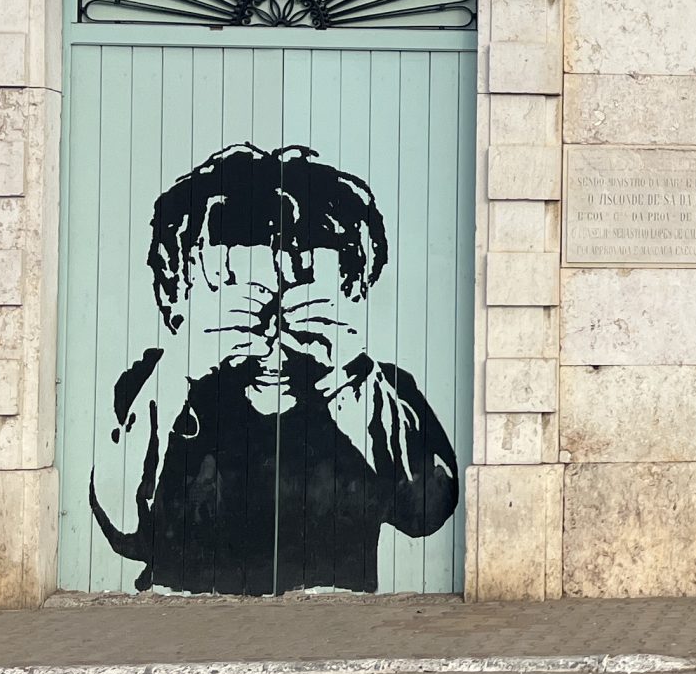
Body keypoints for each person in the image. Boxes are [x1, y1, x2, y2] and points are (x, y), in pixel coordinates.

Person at [91, 143, 458, 594]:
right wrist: (180, 371)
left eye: (303, 287)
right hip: (186, 615)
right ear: (176, 296)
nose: (270, 323)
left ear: (352, 292)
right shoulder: (152, 388)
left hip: (335, 620)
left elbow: (426, 512)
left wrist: (352, 386)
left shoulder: (373, 389)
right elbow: (120, 524)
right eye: (229, 284)